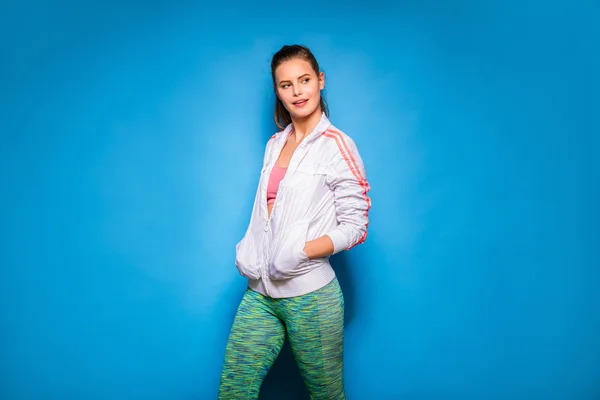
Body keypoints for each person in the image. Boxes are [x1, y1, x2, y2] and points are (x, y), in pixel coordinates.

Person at [218, 44, 371, 400]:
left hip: (312, 297)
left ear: (320, 81)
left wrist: (302, 252)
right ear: (277, 91)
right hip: (260, 293)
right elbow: (269, 212)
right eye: (286, 85)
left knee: (326, 395)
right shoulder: (275, 144)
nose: (297, 91)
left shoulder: (337, 145)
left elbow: (356, 224)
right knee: (234, 390)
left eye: (304, 80)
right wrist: (250, 248)